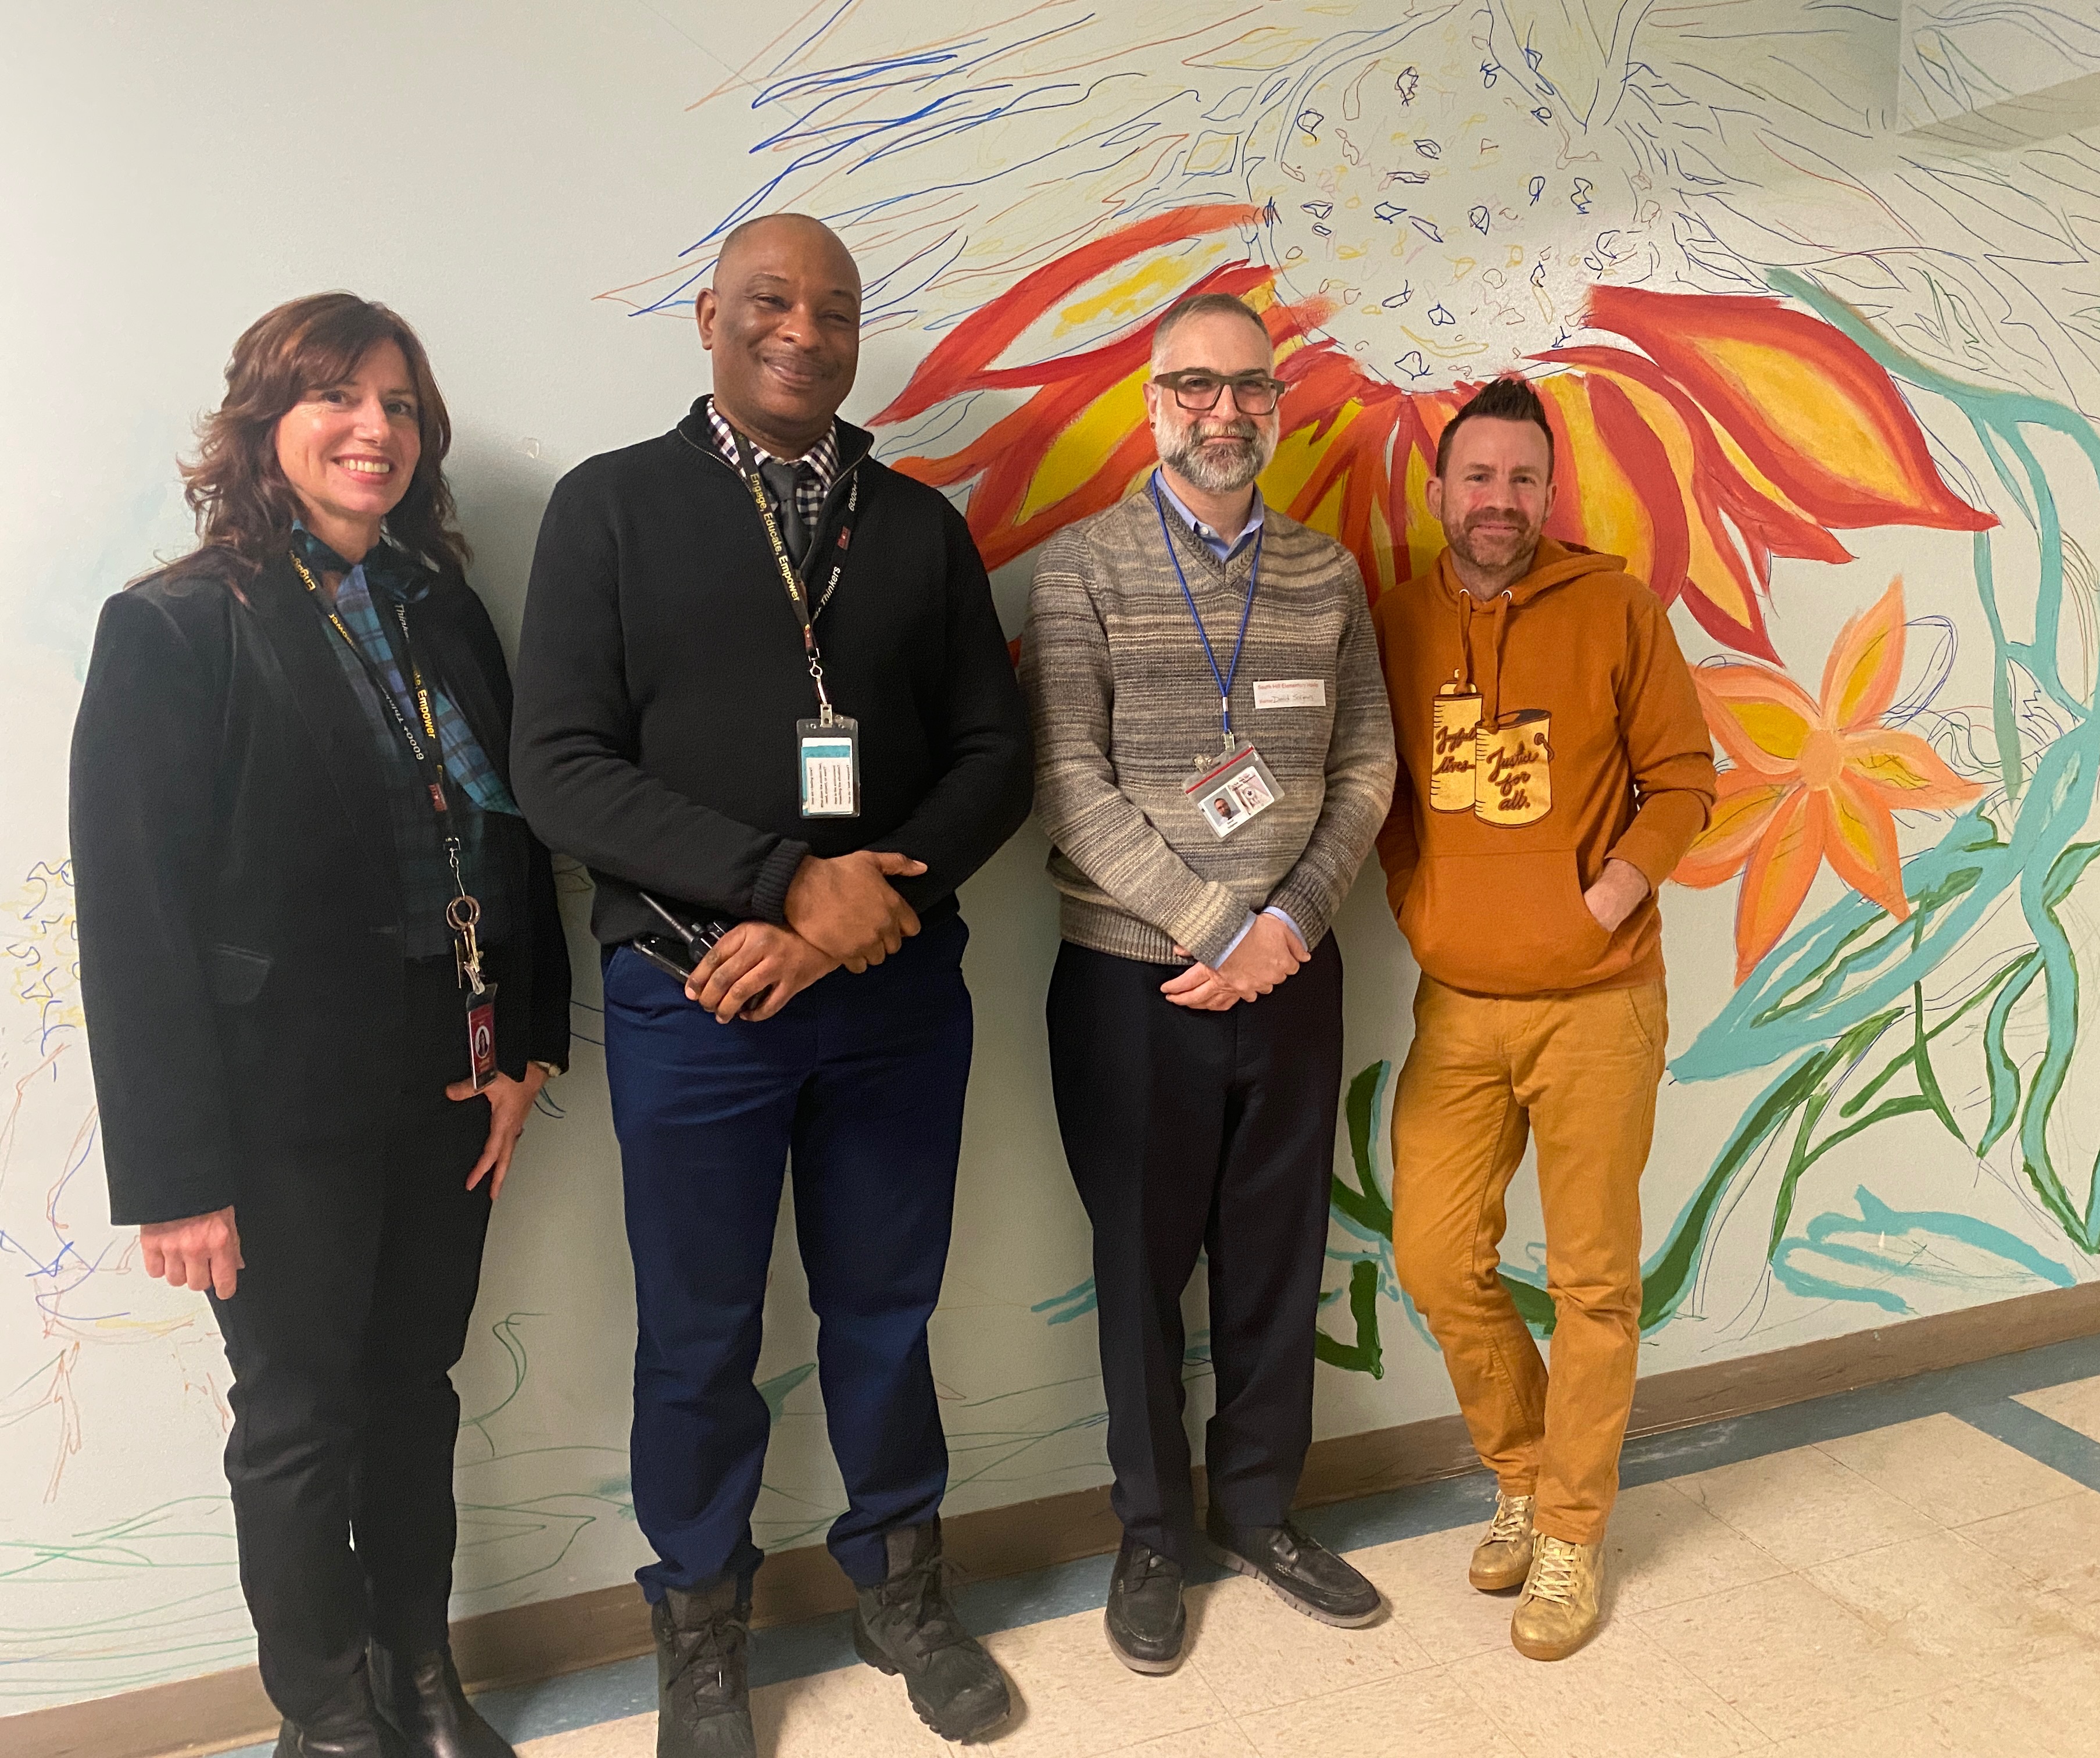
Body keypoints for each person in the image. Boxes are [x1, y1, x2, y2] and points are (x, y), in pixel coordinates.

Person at [510, 214, 1032, 1751]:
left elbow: (996, 756)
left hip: (886, 1001)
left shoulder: (919, 526)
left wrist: (844, 914)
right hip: (695, 1005)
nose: (803, 329)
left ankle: (901, 1582)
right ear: (707, 320)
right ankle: (702, 1627)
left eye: (835, 308)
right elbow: (559, 770)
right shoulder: (608, 512)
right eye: (769, 302)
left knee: (885, 1308)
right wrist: (781, 886)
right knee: (696, 1334)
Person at [70, 294, 572, 1758]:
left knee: (415, 1395)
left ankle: (424, 1680)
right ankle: (331, 1716)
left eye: (402, 405)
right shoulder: (173, 627)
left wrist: (522, 1052)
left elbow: (514, 848)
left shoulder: (440, 610)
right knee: (298, 1423)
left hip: (449, 1082)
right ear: (264, 425)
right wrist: (174, 1177)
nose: (376, 430)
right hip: (275, 1107)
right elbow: (135, 921)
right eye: (339, 399)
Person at [1022, 292, 1398, 1674]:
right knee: (1138, 1269)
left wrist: (1287, 922)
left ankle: (1259, 1511)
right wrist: (1208, 925)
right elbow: (1065, 780)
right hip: (1133, 987)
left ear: (1279, 407)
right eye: (1194, 386)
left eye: (1248, 389)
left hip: (1295, 974)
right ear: (1151, 404)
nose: (1223, 412)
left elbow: (1368, 764)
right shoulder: (1082, 571)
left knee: (1276, 1260)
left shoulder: (1329, 574)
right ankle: (1147, 1533)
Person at [1372, 377, 1716, 1661]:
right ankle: (1522, 1471)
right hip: (1459, 1002)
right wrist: (1421, 900)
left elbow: (1684, 776)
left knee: (1593, 1285)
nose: (1500, 501)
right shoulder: (1399, 617)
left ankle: (1572, 1530)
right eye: (1479, 477)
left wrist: (1608, 894)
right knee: (1432, 1255)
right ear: (1440, 490)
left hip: (1599, 1004)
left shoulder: (1617, 610)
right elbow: (1386, 784)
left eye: (1523, 479)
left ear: (1548, 493)